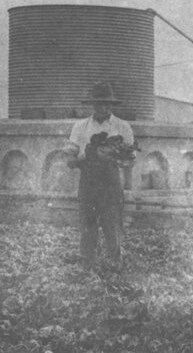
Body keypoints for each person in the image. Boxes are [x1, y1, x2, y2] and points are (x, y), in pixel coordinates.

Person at [63, 82, 135, 266]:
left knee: (113, 224)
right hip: (88, 182)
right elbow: (70, 160)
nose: (103, 107)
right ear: (93, 105)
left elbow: (130, 161)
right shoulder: (80, 127)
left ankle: (115, 264)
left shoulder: (122, 127)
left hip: (110, 183)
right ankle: (88, 264)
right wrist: (86, 156)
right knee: (87, 224)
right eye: (99, 103)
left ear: (112, 105)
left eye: (107, 104)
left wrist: (115, 157)